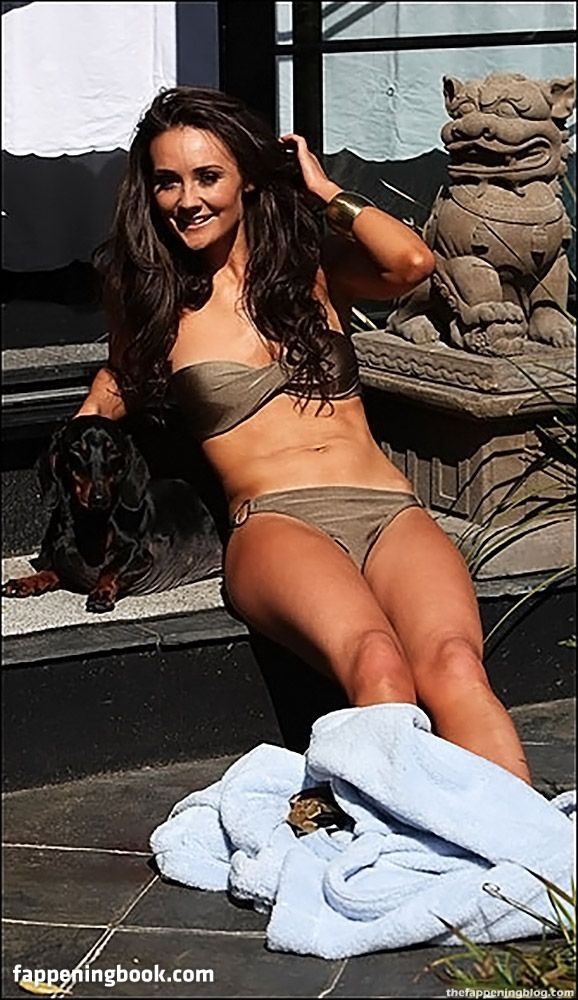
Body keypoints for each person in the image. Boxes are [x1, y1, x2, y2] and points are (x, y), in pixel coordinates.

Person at [76, 86, 531, 785]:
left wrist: (325, 192)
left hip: (388, 507)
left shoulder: (310, 271)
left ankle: (523, 848)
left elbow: (411, 264)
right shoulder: (152, 299)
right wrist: (78, 454)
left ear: (248, 180)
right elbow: (113, 386)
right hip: (277, 521)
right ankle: (400, 834)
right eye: (168, 181)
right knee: (378, 662)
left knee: (455, 666)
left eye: (207, 176)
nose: (186, 200)